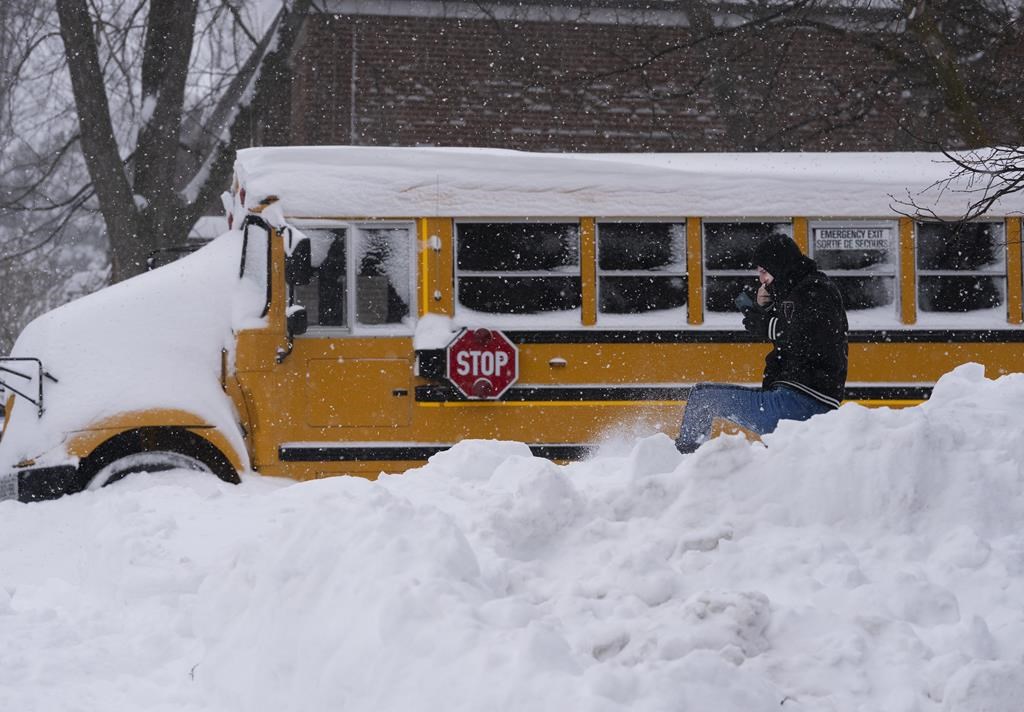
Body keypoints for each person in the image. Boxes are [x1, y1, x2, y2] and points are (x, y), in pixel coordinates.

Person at [675, 234, 848, 453]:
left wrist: (768, 324)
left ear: (779, 265)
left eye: (764, 272)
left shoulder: (814, 290)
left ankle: (685, 469)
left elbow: (807, 337)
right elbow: (794, 331)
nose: (761, 279)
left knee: (704, 397)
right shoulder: (804, 290)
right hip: (803, 399)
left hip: (801, 401)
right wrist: (766, 310)